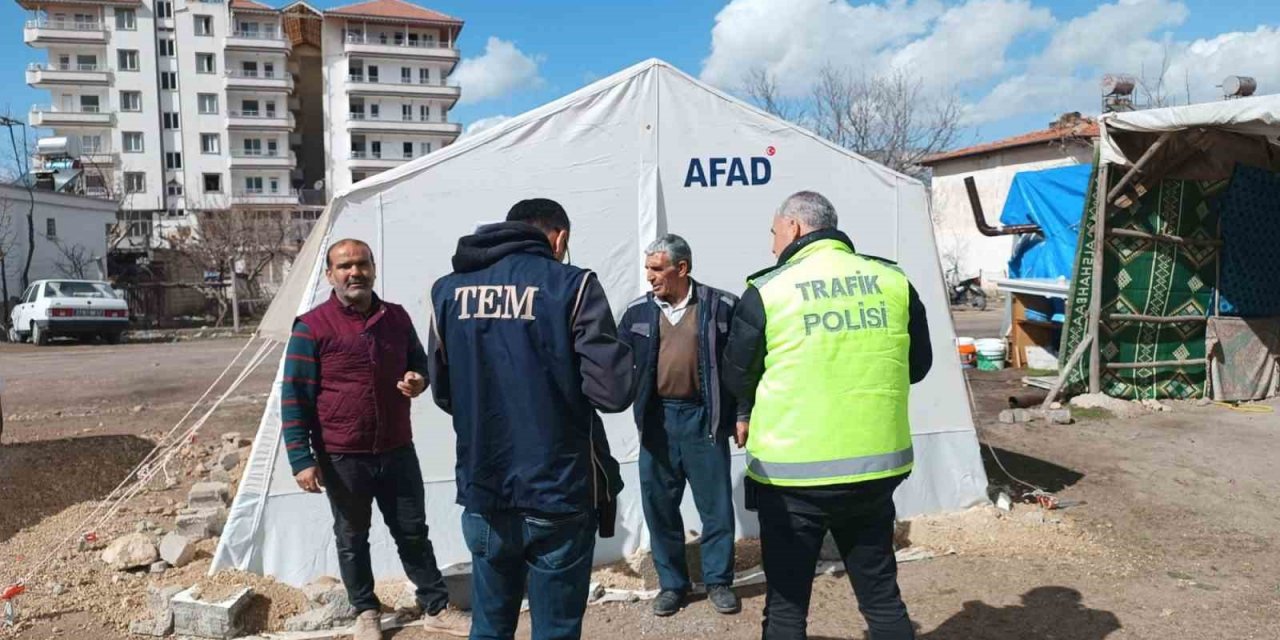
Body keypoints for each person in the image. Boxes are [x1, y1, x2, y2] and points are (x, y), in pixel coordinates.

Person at [722, 192, 933, 640]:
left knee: (786, 606)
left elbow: (737, 376)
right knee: (880, 597)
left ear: (794, 228)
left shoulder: (769, 290)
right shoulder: (892, 281)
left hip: (792, 478)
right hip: (875, 468)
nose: (772, 245)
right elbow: (918, 367)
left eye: (773, 232)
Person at [428, 198, 633, 640]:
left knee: (489, 626)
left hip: (484, 487)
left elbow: (445, 394)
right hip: (556, 490)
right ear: (559, 238)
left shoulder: (447, 291)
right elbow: (612, 394)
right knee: (555, 629)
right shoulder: (572, 286)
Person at [281, 239, 470, 640]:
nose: (355, 273)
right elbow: (294, 397)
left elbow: (419, 363)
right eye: (345, 266)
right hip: (341, 456)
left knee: (413, 531)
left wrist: (419, 380)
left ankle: (435, 605)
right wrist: (301, 459)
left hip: (397, 449)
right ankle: (365, 611)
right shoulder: (311, 327)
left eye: (362, 264)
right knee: (352, 537)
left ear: (373, 267)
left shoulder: (396, 318)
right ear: (330, 274)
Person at [618, 234, 741, 617]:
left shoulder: (721, 306)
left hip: (704, 419)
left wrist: (742, 414)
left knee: (716, 508)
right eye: (647, 269)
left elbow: (741, 367)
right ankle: (673, 585)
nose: (650, 277)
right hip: (657, 422)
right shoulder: (637, 313)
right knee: (660, 508)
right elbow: (619, 366)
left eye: (657, 269)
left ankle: (719, 582)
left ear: (682, 268)